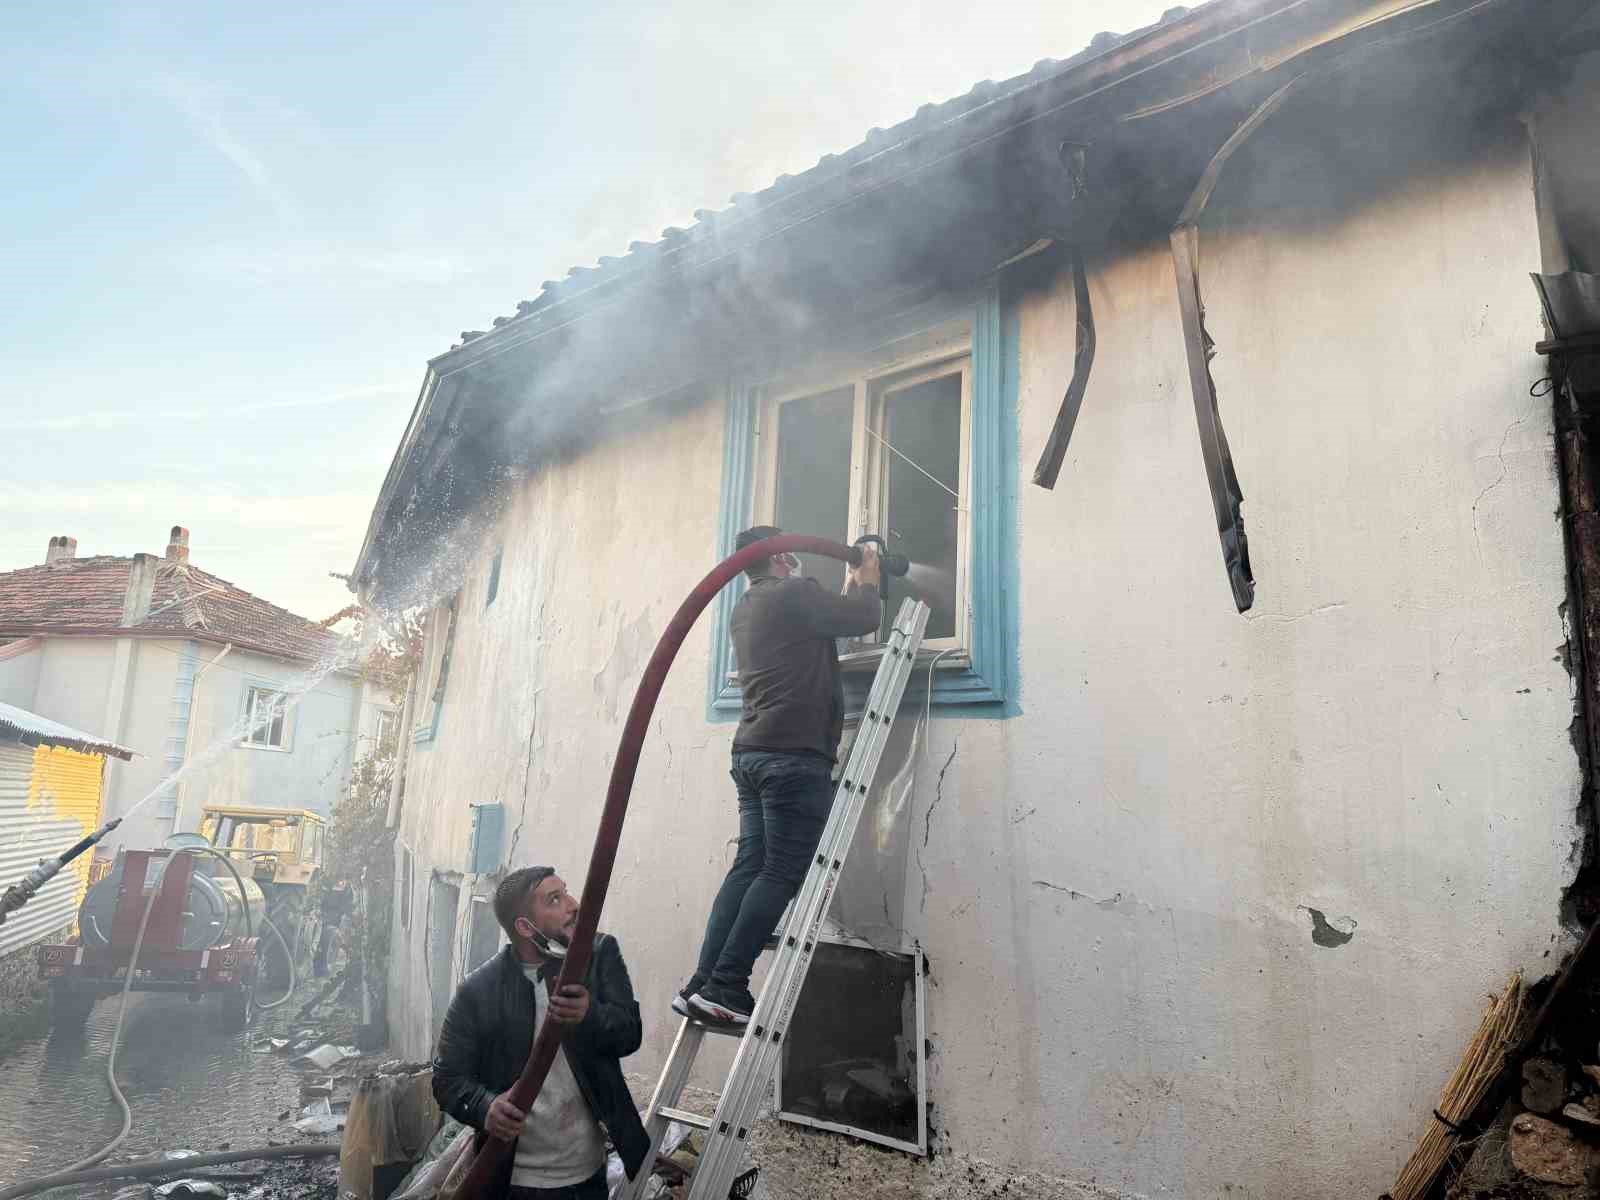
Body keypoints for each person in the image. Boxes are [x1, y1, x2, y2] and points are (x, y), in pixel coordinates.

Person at [678, 525, 883, 1026]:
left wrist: (849, 577)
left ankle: (703, 982)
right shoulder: (793, 593)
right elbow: (862, 617)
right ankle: (727, 985)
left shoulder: (748, 606)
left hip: (752, 754)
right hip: (793, 757)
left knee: (749, 866)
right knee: (781, 871)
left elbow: (820, 624)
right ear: (784, 557)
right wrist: (869, 574)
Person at [433, 866, 648, 1200]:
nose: (574, 904)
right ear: (524, 927)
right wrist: (486, 1106)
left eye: (566, 891)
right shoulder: (478, 991)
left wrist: (590, 1016)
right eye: (555, 899)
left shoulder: (600, 955)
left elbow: (629, 1035)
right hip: (512, 1182)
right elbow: (447, 1079)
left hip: (587, 1176)